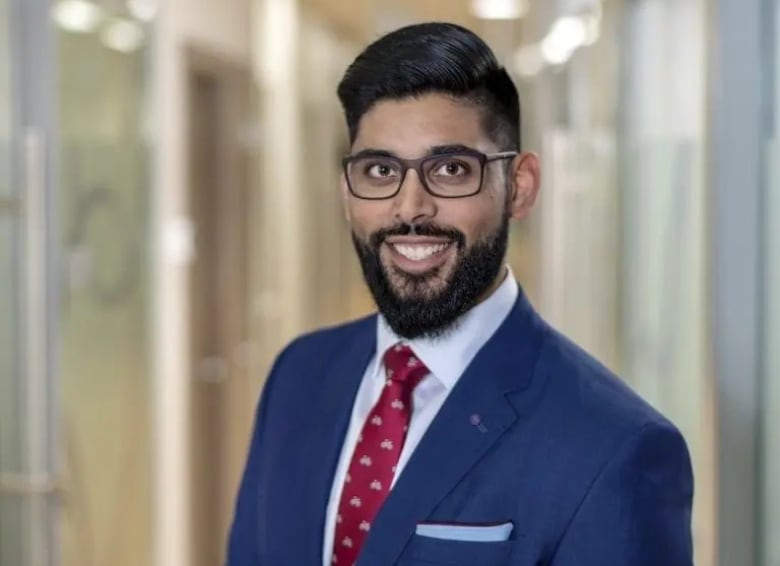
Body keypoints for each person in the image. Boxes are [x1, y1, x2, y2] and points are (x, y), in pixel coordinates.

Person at [227, 22, 693, 566]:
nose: (409, 208)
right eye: (379, 170)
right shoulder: (299, 376)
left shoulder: (615, 448)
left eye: (450, 169)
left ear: (518, 186)